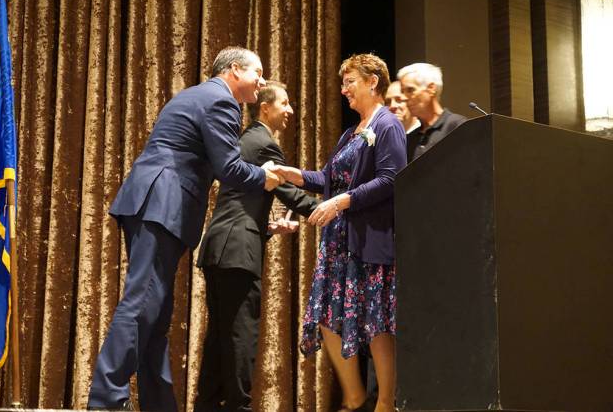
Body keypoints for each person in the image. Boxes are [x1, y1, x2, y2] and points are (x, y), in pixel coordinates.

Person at [87, 46, 282, 411]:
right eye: (258, 72)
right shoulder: (222, 102)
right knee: (142, 301)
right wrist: (265, 177)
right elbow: (229, 168)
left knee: (156, 312)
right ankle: (105, 401)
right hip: (162, 202)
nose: (263, 81)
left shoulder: (202, 95)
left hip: (154, 202)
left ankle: (160, 404)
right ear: (235, 70)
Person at [273, 54, 406, 412]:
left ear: (372, 82)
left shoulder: (388, 124)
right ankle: (354, 396)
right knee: (327, 316)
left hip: (370, 237)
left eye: (350, 81)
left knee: (376, 322)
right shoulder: (353, 131)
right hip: (340, 243)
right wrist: (293, 174)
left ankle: (385, 404)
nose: (343, 89)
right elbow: (329, 179)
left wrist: (342, 202)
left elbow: (391, 179)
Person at [194, 81, 319, 411]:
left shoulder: (245, 139)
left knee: (220, 335)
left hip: (221, 244)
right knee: (241, 334)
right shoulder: (264, 143)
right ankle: (239, 407)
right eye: (285, 103)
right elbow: (289, 192)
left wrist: (268, 226)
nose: (290, 110)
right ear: (265, 108)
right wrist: (328, 209)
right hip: (237, 249)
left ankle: (206, 405)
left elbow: (240, 200)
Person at [397, 63, 466, 161]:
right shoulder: (409, 139)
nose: (403, 98)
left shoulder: (457, 126)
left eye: (410, 90)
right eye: (402, 92)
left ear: (431, 89)